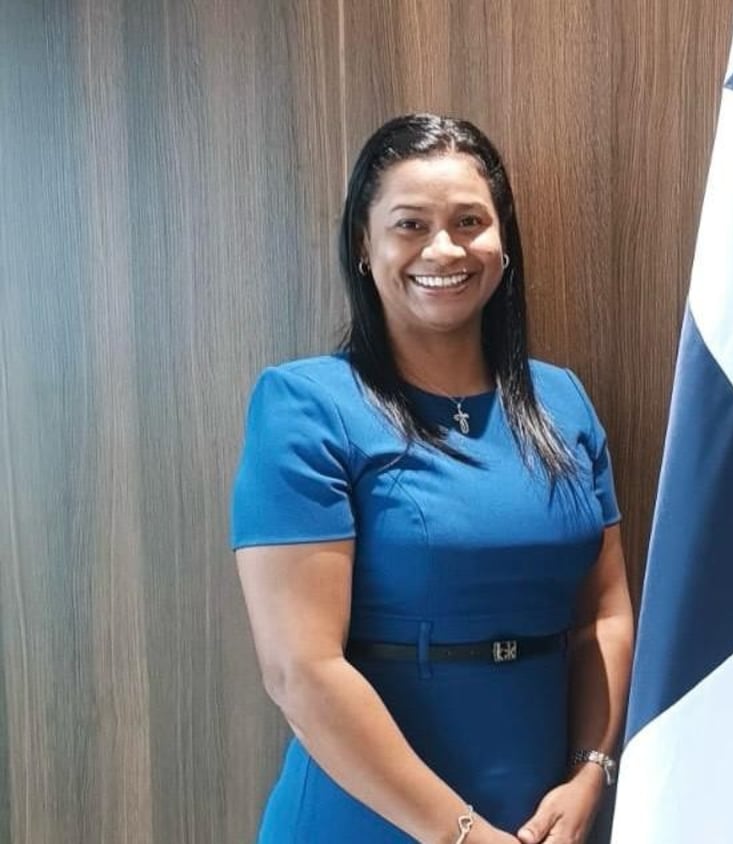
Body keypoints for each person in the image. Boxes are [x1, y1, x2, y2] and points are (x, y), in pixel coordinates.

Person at [230, 113, 634, 844]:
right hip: (368, 819)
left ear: (502, 242)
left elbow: (603, 614)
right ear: (364, 244)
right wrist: (461, 835)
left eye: (469, 222)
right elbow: (301, 671)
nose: (443, 249)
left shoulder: (563, 400)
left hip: (548, 817)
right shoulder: (305, 405)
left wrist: (591, 772)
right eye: (410, 224)